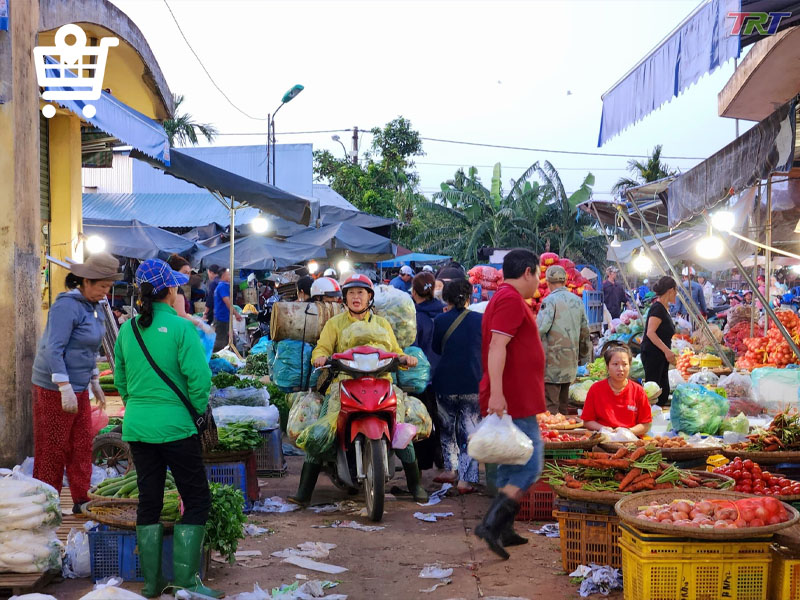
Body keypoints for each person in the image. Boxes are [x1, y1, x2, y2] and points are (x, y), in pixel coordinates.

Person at [114, 259, 219, 599]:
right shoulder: (180, 329)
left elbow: (121, 383)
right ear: (170, 291)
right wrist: (195, 411)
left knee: (149, 500)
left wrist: (141, 408)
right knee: (197, 499)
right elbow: (199, 380)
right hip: (176, 427)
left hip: (138, 428)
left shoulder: (127, 330)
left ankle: (151, 583)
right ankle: (187, 582)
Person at [290, 274, 426, 504]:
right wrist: (321, 357)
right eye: (351, 293)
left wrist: (405, 358)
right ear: (344, 298)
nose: (356, 297)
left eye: (361, 292)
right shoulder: (335, 324)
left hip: (382, 382)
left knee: (400, 430)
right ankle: (304, 493)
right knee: (322, 431)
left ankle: (416, 486)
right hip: (343, 383)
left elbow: (394, 349)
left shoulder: (382, 324)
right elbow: (321, 348)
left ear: (369, 297)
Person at [31, 253, 121, 514]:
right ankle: (46, 503)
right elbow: (52, 347)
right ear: (85, 281)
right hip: (53, 387)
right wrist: (63, 386)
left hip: (79, 386)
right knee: (53, 447)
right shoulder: (67, 305)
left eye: (108, 287)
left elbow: (89, 347)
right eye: (102, 286)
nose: (105, 292)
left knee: (82, 443)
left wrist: (94, 379)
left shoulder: (94, 307)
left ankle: (82, 499)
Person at [475, 248, 545, 560]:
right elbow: (497, 347)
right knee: (531, 464)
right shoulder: (509, 300)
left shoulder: (506, 298)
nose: (539, 282)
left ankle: (504, 529)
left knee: (510, 462)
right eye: (538, 275)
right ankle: (491, 524)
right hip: (513, 398)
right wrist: (499, 395)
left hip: (515, 395)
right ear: (528, 271)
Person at [432, 278, 482, 494]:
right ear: (469, 297)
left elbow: (436, 348)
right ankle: (466, 480)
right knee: (469, 431)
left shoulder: (440, 320)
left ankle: (451, 470)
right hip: (472, 380)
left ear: (447, 298)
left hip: (446, 381)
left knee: (447, 427)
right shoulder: (480, 319)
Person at [536, 265, 592, 415]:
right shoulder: (577, 301)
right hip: (570, 364)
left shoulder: (549, 301)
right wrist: (583, 356)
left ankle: (554, 435)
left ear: (548, 282)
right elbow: (585, 332)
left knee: (551, 407)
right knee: (563, 405)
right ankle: (564, 434)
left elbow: (540, 329)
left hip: (552, 365)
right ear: (565, 281)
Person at [410, 271, 445, 471]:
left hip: (420, 379)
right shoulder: (444, 312)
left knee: (421, 419)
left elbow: (413, 346)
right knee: (442, 420)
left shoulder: (414, 317)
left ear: (414, 292)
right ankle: (442, 459)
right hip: (443, 376)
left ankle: (423, 463)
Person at [582, 344, 652, 438]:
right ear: (607, 366)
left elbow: (646, 424)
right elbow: (587, 421)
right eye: (615, 364)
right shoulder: (596, 389)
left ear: (630, 366)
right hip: (602, 439)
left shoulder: (638, 391)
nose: (620, 369)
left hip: (631, 440)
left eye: (624, 364)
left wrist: (627, 431)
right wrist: (604, 429)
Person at [640, 276, 678, 407]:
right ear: (671, 290)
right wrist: (667, 351)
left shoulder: (664, 308)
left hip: (660, 355)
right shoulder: (657, 308)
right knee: (655, 392)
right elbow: (651, 332)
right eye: (676, 291)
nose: (676, 294)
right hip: (653, 355)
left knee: (663, 390)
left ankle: (656, 419)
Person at [213, 268, 243, 352]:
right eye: (228, 274)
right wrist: (236, 314)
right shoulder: (222, 286)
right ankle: (214, 358)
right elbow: (227, 302)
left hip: (224, 318)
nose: (230, 276)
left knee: (230, 340)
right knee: (220, 343)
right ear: (223, 276)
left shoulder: (223, 286)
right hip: (221, 319)